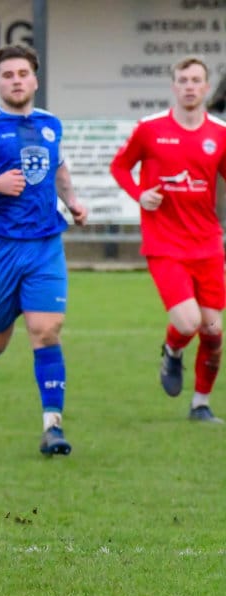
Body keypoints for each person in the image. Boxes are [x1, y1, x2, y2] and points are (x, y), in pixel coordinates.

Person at [0, 44, 88, 456]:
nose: (17, 80)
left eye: (23, 73)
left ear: (35, 80)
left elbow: (59, 168)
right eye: (8, 75)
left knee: (46, 330)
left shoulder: (51, 124)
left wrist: (73, 202)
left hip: (45, 244)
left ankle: (52, 427)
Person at [110, 57, 226, 424]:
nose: (189, 86)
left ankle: (200, 405)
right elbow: (119, 166)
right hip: (164, 244)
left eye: (196, 80)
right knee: (189, 322)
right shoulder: (150, 129)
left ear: (205, 87)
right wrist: (139, 194)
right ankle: (173, 351)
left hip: (207, 243)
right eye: (183, 80)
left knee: (213, 330)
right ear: (173, 86)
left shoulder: (220, 133)